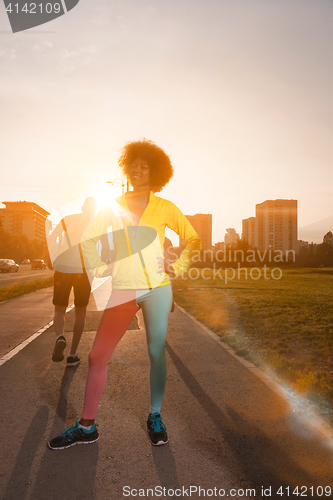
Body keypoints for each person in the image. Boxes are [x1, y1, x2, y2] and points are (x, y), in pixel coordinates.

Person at [48, 139, 201, 449]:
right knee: (97, 356)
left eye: (145, 165)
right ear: (127, 168)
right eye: (134, 164)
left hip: (157, 288)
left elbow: (193, 239)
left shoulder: (165, 207)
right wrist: (100, 266)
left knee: (156, 352)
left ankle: (155, 415)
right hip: (123, 289)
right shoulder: (113, 207)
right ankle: (87, 427)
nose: (138, 168)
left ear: (156, 172)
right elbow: (89, 240)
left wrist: (177, 266)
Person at [48, 197, 97, 367]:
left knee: (59, 309)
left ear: (83, 208)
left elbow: (52, 238)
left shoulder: (67, 219)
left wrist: (53, 255)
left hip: (62, 267)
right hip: (83, 271)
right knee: (80, 311)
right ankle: (72, 355)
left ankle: (59, 337)